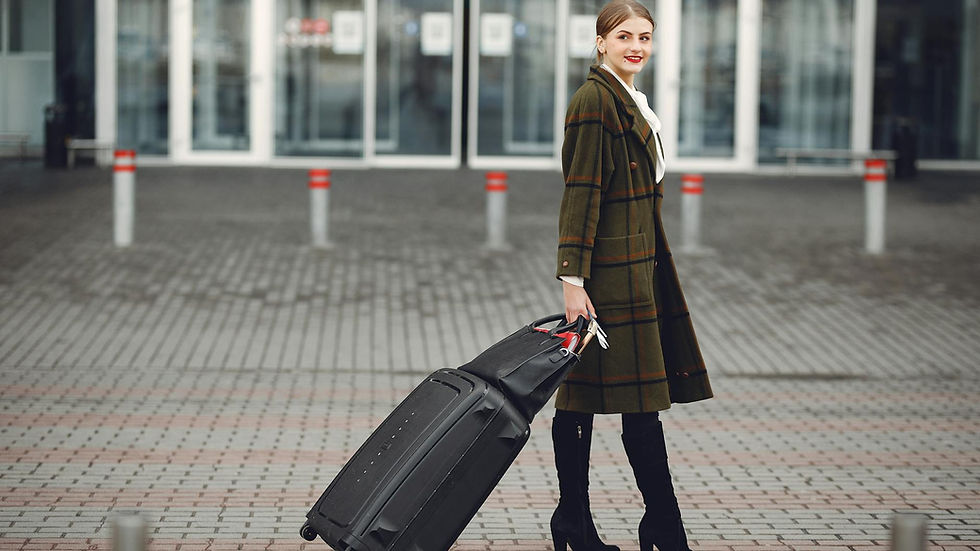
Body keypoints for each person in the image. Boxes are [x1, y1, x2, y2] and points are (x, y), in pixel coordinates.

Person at [552, 1, 713, 550]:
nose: (636, 46)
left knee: (617, 398)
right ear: (600, 42)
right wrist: (572, 280)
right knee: (604, 401)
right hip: (608, 273)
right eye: (623, 36)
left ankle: (593, 523)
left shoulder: (631, 101)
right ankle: (647, 525)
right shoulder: (594, 100)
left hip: (639, 266)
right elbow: (582, 191)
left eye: (645, 36)